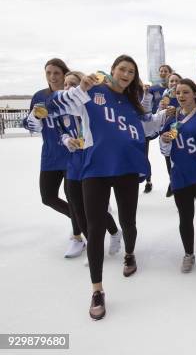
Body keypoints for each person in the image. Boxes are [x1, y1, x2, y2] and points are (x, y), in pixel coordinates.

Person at [45, 54, 164, 320]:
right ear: (112, 70)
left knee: (128, 220)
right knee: (95, 227)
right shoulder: (91, 92)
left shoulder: (132, 103)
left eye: (131, 72)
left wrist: (167, 115)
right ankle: (97, 289)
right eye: (122, 69)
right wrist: (81, 88)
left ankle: (130, 254)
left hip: (126, 170)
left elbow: (149, 127)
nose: (126, 74)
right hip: (95, 169)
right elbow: (54, 105)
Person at [58, 72, 122, 263]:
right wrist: (67, 139)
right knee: (77, 208)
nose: (69, 88)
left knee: (95, 208)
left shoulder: (91, 106)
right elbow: (59, 133)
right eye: (66, 84)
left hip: (92, 161)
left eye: (73, 84)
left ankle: (114, 231)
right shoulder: (64, 110)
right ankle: (92, 245)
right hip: (73, 163)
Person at [23, 58, 85, 258]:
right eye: (48, 73)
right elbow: (30, 126)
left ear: (64, 74)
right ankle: (82, 219)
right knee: (47, 197)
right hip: (50, 153)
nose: (52, 77)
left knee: (72, 196)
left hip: (72, 154)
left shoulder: (72, 97)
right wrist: (34, 116)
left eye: (56, 73)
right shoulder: (39, 96)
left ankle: (77, 237)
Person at [159, 79, 196, 273]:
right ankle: (189, 254)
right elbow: (165, 151)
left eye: (185, 92)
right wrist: (165, 140)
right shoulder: (172, 117)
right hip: (180, 174)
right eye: (178, 93)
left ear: (195, 94)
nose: (181, 96)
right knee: (185, 217)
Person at [144, 64, 173, 194]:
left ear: (170, 73)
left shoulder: (176, 89)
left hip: (168, 123)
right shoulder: (153, 89)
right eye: (160, 71)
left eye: (165, 71)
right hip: (154, 121)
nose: (162, 73)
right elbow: (146, 105)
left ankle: (173, 181)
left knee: (168, 154)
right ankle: (148, 181)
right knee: (144, 153)